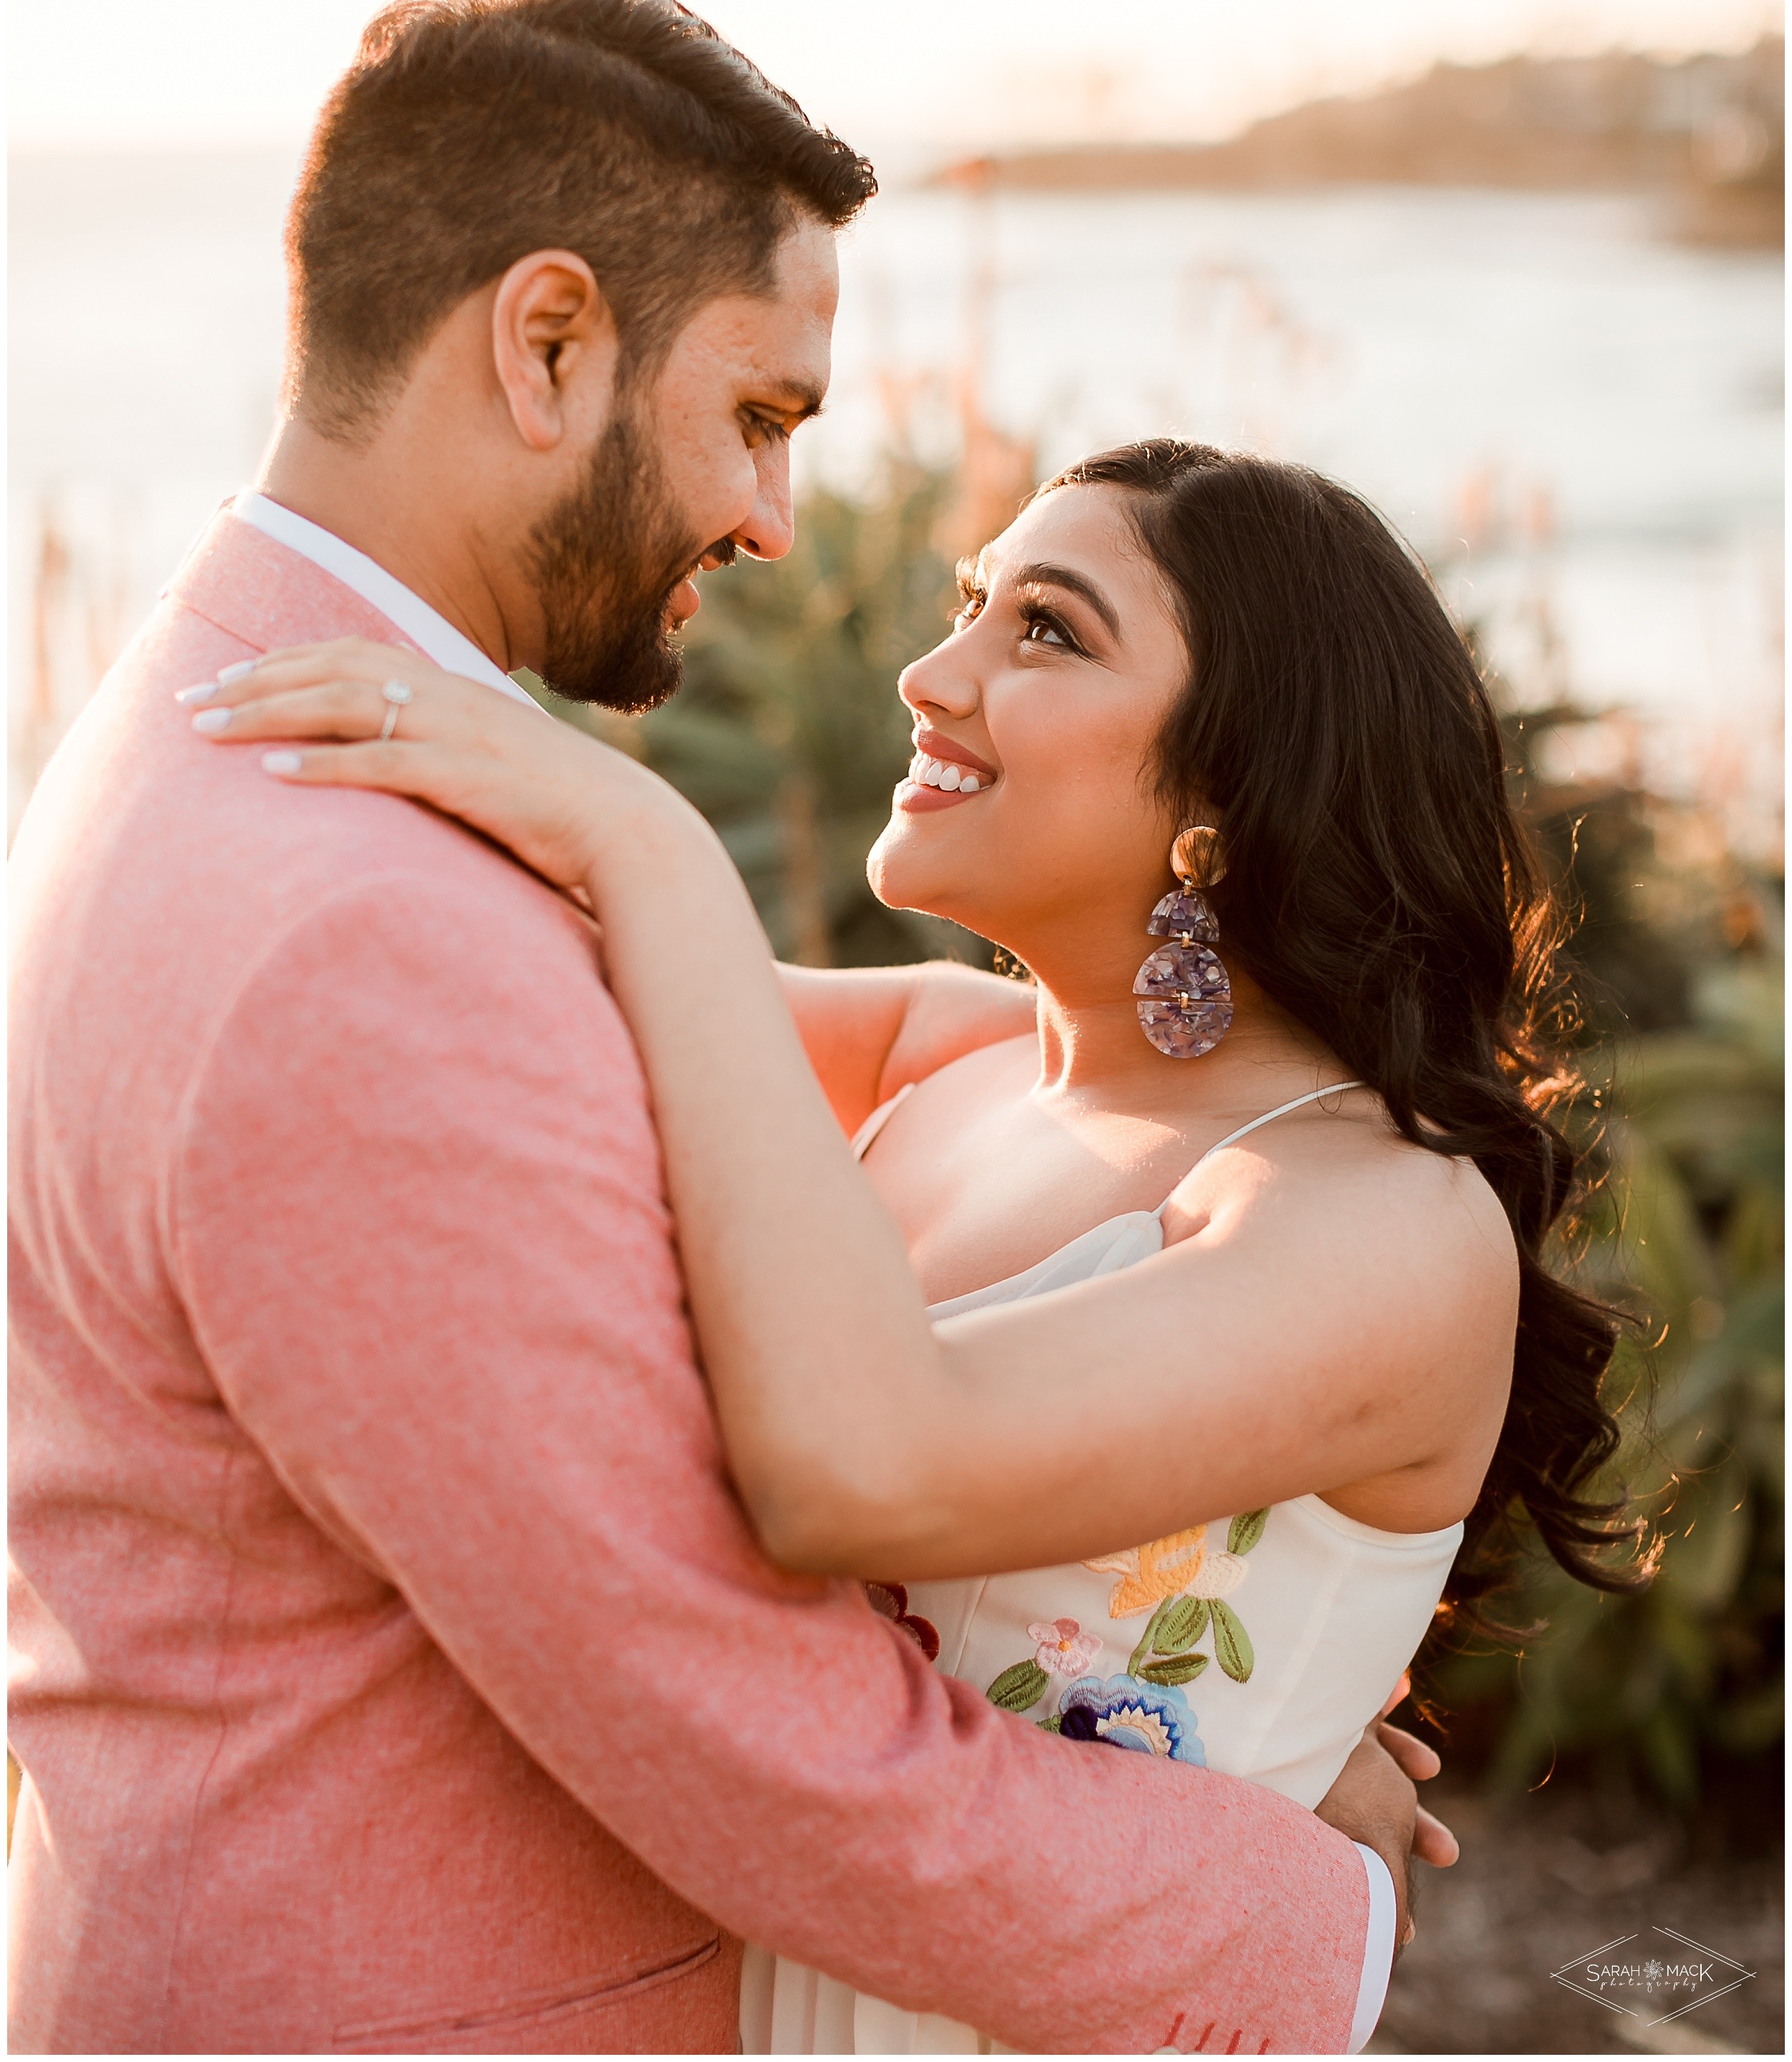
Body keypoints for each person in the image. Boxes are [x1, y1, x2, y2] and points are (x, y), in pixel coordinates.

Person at [9, 0, 1435, 2060]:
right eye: (757, 412)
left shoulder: (224, 721)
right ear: (550, 339)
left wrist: (1225, 1701)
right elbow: (736, 1726)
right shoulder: (371, 923)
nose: (775, 516)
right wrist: (1294, 1908)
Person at [189, 447, 1644, 2056]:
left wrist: (649, 840)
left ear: (1225, 805)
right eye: (969, 603)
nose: (927, 673)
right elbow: (482, 975)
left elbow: (855, 1467)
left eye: (1044, 630)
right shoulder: (941, 1055)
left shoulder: (1375, 1223)